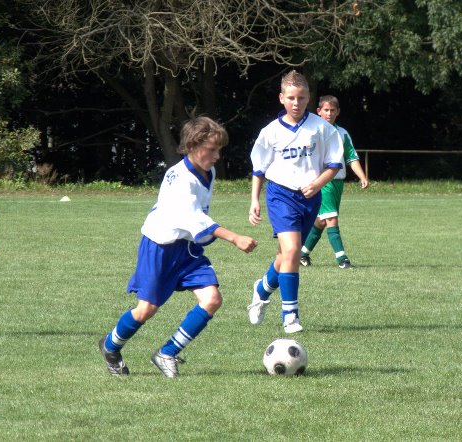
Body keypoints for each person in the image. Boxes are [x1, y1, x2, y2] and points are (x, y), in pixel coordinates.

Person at [100, 116, 257, 378]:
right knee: (146, 310)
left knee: (212, 300)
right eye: (212, 149)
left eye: (219, 149)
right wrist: (234, 237)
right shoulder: (182, 179)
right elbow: (196, 219)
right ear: (194, 146)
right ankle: (110, 347)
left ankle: (167, 352)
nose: (218, 156)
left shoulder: (208, 170)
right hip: (160, 247)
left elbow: (197, 221)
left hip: (187, 249)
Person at [247, 70, 343, 333]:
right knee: (291, 252)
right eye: (291, 97)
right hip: (280, 194)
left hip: (310, 197)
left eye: (301, 97)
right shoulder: (270, 132)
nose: (296, 103)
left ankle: (262, 288)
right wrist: (254, 199)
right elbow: (259, 168)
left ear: (309, 97)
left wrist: (317, 183)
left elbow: (334, 164)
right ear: (281, 98)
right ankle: (290, 316)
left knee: (284, 255)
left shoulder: (322, 129)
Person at [299, 95, 369, 269]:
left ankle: (302, 254)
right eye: (325, 110)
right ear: (319, 111)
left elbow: (351, 158)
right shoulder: (311, 131)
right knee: (331, 219)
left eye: (332, 110)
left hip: (337, 184)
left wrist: (362, 176)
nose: (329, 114)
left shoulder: (342, 133)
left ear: (338, 112)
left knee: (321, 221)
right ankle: (342, 259)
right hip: (322, 182)